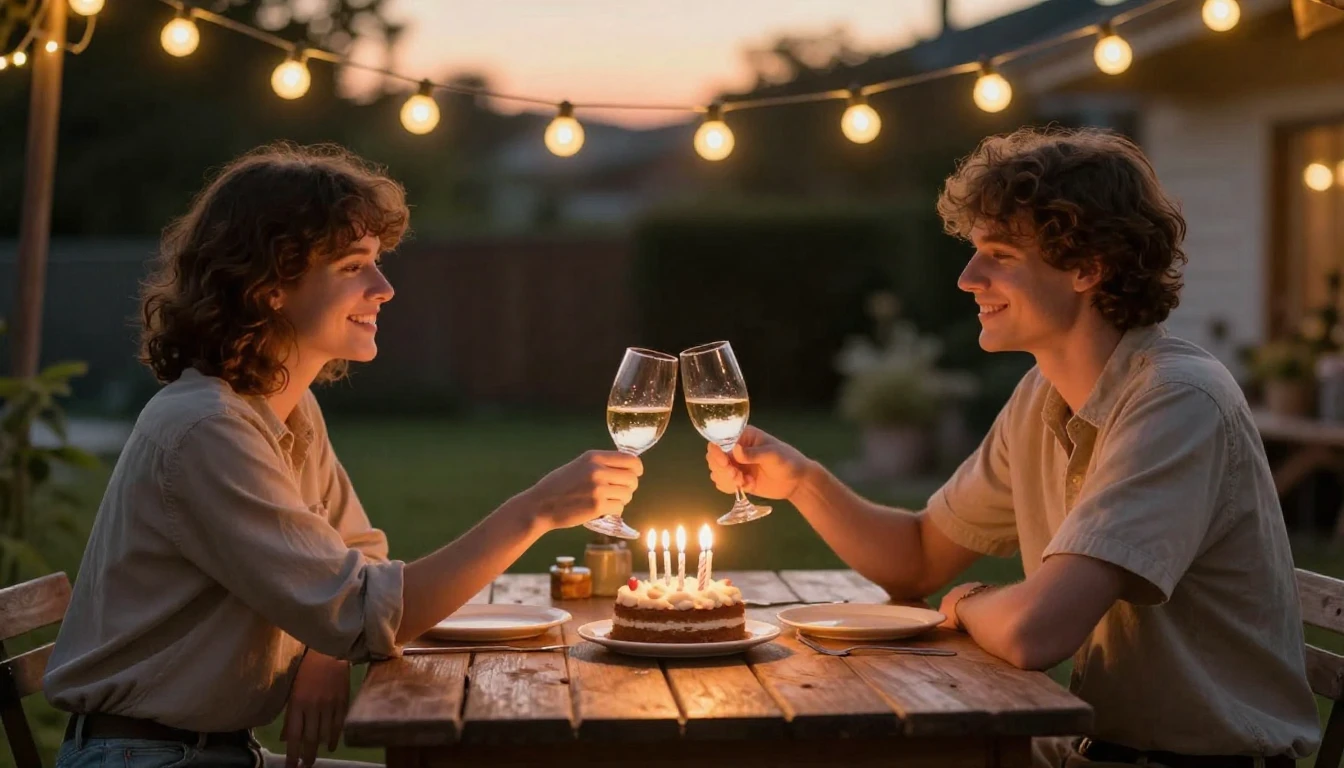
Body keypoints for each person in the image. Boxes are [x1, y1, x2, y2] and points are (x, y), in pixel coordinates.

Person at [704, 126, 1320, 767]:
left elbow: (1035, 632)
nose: (969, 278)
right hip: (1094, 750)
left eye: (1000, 254)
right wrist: (803, 480)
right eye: (974, 252)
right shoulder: (1043, 395)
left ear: (1088, 267)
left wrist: (969, 603)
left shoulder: (1178, 400)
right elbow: (917, 557)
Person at [43, 143, 643, 768]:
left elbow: (360, 561)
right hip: (141, 758)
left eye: (377, 263)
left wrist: (325, 652)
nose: (383, 288)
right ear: (270, 286)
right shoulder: (206, 430)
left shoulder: (287, 408)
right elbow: (362, 610)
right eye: (354, 266)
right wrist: (538, 510)